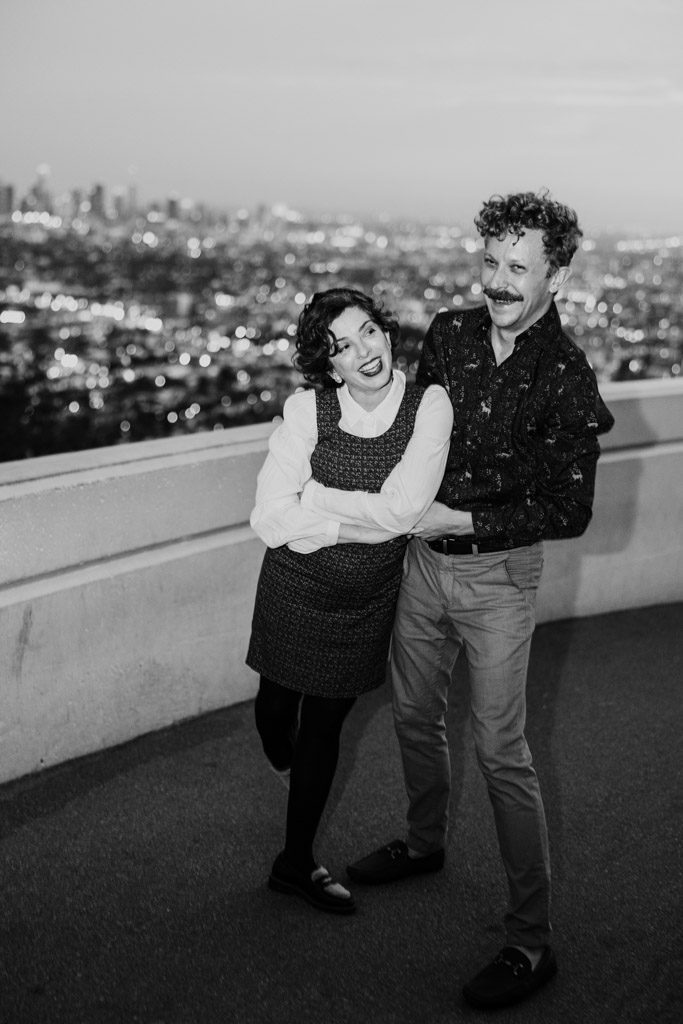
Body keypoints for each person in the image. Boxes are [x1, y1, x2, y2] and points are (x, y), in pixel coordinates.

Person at [302, 193, 615, 1006]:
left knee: (502, 754)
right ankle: (424, 841)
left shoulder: (566, 374)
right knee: (411, 714)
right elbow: (404, 429)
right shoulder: (446, 334)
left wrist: (463, 516)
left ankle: (529, 941)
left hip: (499, 577)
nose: (499, 281)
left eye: (519, 267)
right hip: (421, 566)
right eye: (490, 263)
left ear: (555, 272)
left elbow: (569, 509)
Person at [246, 287, 453, 916]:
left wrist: (320, 501)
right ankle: (283, 764)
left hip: (366, 598)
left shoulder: (429, 405)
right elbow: (269, 519)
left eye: (367, 332)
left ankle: (295, 861)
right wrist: (363, 522)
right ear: (326, 363)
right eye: (340, 346)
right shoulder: (307, 410)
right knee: (274, 710)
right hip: (294, 584)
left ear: (387, 333)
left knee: (325, 728)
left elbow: (407, 510)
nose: (362, 351)